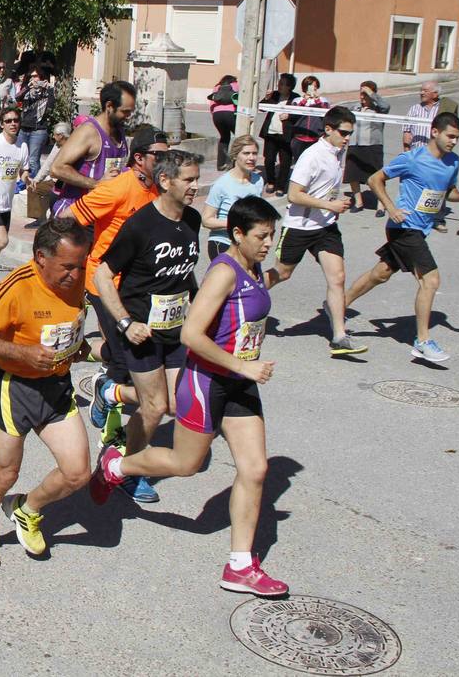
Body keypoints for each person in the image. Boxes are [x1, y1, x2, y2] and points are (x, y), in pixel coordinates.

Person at [91, 195, 289, 598]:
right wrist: (243, 366)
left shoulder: (252, 267)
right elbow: (191, 335)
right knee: (185, 464)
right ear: (238, 234)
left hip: (239, 383)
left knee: (255, 470)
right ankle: (117, 466)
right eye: (262, 236)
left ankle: (240, 566)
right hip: (208, 382)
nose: (268, 243)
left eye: (272, 235)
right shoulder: (224, 272)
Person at [0, 218, 95, 567]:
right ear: (41, 257)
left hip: (57, 386)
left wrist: (77, 346)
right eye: (67, 267)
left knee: (78, 473)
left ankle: (27, 508)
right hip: (15, 387)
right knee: (6, 473)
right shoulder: (17, 287)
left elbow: (69, 321)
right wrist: (23, 353)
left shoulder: (77, 279)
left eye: (80, 265)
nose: (75, 274)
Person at [90, 150, 203, 505]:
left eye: (197, 179)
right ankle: (128, 469)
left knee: (174, 406)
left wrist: (200, 308)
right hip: (141, 330)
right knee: (154, 407)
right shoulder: (140, 225)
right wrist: (125, 323)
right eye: (188, 180)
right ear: (165, 181)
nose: (195, 187)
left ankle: (110, 392)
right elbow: (102, 275)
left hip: (176, 329)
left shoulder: (193, 219)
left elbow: (185, 272)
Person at [347, 113, 459, 361]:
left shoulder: (453, 161)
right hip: (404, 227)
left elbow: (448, 192)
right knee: (431, 280)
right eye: (450, 136)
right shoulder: (413, 159)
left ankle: (338, 304)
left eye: (457, 138)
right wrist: (391, 208)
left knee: (381, 274)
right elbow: (375, 179)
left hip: (420, 229)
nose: (453, 142)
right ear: (435, 132)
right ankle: (422, 341)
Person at [76, 127, 170, 437]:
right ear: (139, 158)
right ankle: (112, 427)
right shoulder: (116, 189)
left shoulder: (160, 190)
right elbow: (70, 219)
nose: (166, 161)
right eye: (160, 156)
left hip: (138, 285)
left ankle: (82, 352)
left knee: (134, 351)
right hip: (104, 282)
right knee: (122, 360)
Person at [267, 106, 367, 357]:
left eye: (350, 133)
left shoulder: (339, 152)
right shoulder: (312, 156)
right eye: (343, 133)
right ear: (328, 129)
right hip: (299, 226)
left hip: (326, 226)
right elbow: (294, 194)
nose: (347, 138)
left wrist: (335, 204)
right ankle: (239, 294)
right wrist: (329, 205)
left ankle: (339, 336)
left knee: (338, 277)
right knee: (282, 273)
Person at [48, 80, 137, 218]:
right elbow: (56, 168)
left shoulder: (119, 130)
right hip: (74, 216)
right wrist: (96, 184)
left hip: (101, 214)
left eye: (130, 112)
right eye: (125, 111)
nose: (128, 116)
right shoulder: (88, 132)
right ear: (109, 106)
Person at [203, 136, 264, 260]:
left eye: (254, 153)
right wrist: (235, 223)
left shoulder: (258, 181)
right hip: (223, 242)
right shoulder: (222, 184)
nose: (251, 158)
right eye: (246, 153)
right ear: (235, 155)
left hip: (247, 245)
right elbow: (206, 220)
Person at [0, 106, 29, 263]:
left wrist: (28, 179)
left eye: (16, 120)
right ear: (1, 124)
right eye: (8, 121)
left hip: (7, 204)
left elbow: (23, 170)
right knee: (1, 240)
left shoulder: (22, 146)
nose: (13, 124)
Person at [346, 80, 391, 214]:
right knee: (352, 175)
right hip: (355, 144)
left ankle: (381, 205)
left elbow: (386, 106)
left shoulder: (379, 109)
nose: (362, 97)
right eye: (361, 93)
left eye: (365, 94)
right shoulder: (355, 108)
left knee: (376, 176)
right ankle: (358, 202)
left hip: (373, 146)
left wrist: (372, 95)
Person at [259, 73, 299, 195]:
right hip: (271, 132)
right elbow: (261, 107)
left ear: (289, 86)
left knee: (285, 162)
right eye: (279, 83)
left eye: (282, 84)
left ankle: (281, 186)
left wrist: (289, 116)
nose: (279, 86)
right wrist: (266, 98)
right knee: (269, 159)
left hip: (285, 135)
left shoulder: (295, 98)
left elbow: (300, 114)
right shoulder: (275, 95)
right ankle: (271, 181)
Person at [16, 63, 57, 178]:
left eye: (35, 76)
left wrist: (49, 88)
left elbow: (51, 106)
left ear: (41, 77)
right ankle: (21, 181)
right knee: (20, 157)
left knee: (33, 160)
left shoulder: (47, 91)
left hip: (38, 129)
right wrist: (28, 87)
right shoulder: (28, 90)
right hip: (24, 128)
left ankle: (33, 182)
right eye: (31, 76)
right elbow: (17, 97)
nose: (33, 79)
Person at [209, 74, 240, 170]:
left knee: (224, 138)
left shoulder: (217, 87)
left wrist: (214, 114)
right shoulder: (236, 85)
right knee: (240, 137)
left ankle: (221, 164)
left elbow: (212, 103)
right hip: (231, 113)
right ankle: (233, 162)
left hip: (217, 114)